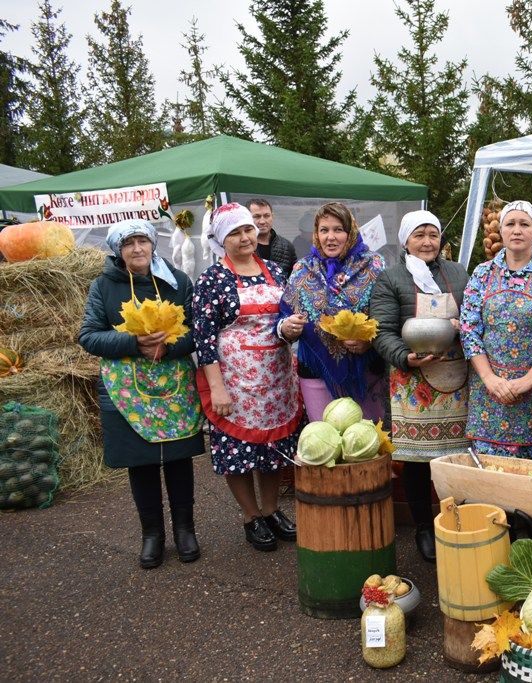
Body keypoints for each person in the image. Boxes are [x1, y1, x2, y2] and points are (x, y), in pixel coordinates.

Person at [79, 219, 205, 569]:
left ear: (153, 245)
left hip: (173, 383)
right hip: (126, 387)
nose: (137, 249)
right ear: (118, 250)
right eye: (129, 243)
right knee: (140, 459)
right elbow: (89, 336)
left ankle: (185, 529)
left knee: (178, 455)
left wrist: (170, 347)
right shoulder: (103, 286)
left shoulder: (178, 281)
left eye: (143, 242)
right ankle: (152, 534)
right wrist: (133, 342)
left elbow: (197, 330)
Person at [194, 203, 303, 552]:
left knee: (273, 449)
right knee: (238, 452)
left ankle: (271, 511)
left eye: (247, 230)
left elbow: (284, 317)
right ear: (222, 239)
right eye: (235, 233)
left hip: (276, 379)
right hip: (234, 379)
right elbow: (203, 336)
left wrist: (290, 328)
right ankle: (250, 515)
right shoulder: (212, 279)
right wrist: (217, 388)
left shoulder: (274, 270)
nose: (244, 237)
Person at [370, 210, 470, 562]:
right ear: (406, 240)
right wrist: (404, 356)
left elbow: (475, 315)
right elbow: (380, 330)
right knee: (416, 460)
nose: (428, 241)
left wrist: (464, 323)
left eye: (433, 234)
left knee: (455, 458)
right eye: (419, 235)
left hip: (456, 378)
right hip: (412, 383)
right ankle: (424, 528)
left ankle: (455, 520)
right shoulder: (391, 278)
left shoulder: (457, 272)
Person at [460, 200, 532, 460]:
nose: (517, 230)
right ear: (501, 231)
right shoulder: (482, 274)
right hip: (490, 397)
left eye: (525, 224)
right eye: (510, 224)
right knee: (492, 483)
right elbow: (469, 329)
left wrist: (528, 380)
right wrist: (490, 379)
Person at [278, 202, 387, 425]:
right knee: (325, 441)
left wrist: (370, 343)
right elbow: (284, 315)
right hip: (316, 372)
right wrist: (287, 328)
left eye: (338, 229)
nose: (331, 237)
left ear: (351, 232)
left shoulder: (374, 265)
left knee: (364, 444)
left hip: (365, 372)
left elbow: (388, 315)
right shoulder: (302, 268)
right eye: (324, 230)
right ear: (316, 233)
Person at [248, 198, 298, 276]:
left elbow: (294, 278)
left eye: (266, 216)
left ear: (272, 216)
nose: (262, 221)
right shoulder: (244, 246)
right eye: (257, 216)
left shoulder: (286, 246)